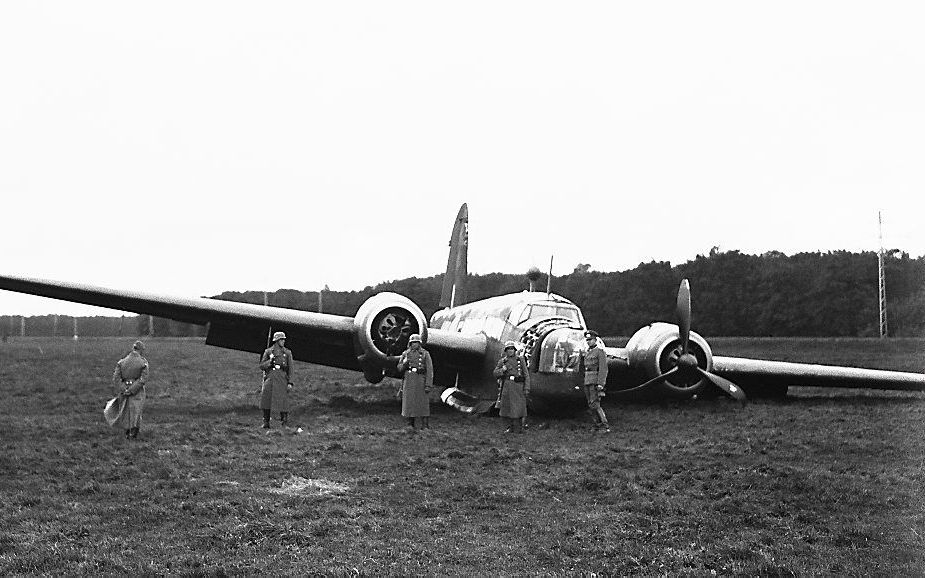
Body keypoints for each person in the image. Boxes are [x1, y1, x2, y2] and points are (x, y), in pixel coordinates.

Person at [111, 340, 149, 439]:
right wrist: (132, 389)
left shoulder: (122, 362)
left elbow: (116, 378)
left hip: (124, 390)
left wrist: (124, 389)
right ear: (141, 350)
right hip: (137, 391)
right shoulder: (143, 362)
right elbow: (143, 379)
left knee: (125, 410)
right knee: (136, 411)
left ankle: (127, 432)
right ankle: (134, 432)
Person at [396, 333, 433, 430]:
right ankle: (410, 423)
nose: (414, 345)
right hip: (409, 380)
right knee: (409, 402)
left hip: (420, 379)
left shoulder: (425, 354)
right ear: (409, 343)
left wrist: (428, 384)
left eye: (416, 342)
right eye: (412, 343)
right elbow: (399, 368)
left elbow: (429, 370)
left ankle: (425, 424)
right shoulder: (405, 354)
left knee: (423, 402)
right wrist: (404, 363)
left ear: (420, 343)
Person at [493, 340, 531, 433]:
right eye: (508, 349)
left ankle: (519, 427)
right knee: (507, 407)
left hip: (518, 386)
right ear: (506, 351)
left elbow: (526, 374)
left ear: (515, 350)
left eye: (512, 349)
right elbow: (495, 373)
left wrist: (526, 388)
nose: (510, 351)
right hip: (507, 386)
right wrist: (503, 369)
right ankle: (510, 427)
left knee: (519, 408)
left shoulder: (520, 360)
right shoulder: (503, 361)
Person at [259, 331, 293, 428]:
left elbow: (291, 368)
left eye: (283, 339)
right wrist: (270, 362)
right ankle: (266, 421)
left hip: (282, 377)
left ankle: (284, 421)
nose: (283, 341)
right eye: (281, 339)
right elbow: (262, 365)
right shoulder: (268, 351)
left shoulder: (287, 353)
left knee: (283, 401)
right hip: (271, 376)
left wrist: (290, 382)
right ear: (276, 340)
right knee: (266, 399)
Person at [580, 330, 610, 432]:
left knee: (596, 404)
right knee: (590, 404)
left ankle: (604, 425)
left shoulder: (600, 352)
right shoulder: (587, 352)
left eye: (590, 340)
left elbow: (603, 369)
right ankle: (596, 424)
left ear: (595, 340)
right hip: (587, 380)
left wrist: (601, 383)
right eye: (587, 340)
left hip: (595, 381)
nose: (588, 342)